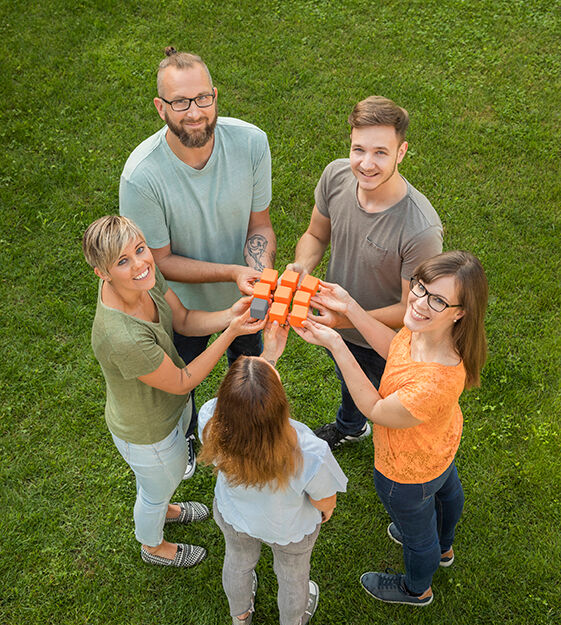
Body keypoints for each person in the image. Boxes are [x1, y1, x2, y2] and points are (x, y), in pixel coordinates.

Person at [294, 251, 488, 606]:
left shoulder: (434, 382)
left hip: (406, 473)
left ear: (460, 312)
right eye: (420, 286)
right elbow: (395, 348)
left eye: (438, 300)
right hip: (439, 450)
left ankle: (417, 588)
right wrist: (350, 307)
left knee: (418, 538)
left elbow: (375, 409)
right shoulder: (433, 334)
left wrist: (337, 344)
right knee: (447, 496)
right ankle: (444, 548)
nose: (419, 302)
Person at [120, 48, 276, 465]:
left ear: (215, 95)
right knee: (183, 383)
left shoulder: (251, 143)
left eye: (203, 98)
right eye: (180, 102)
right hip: (182, 308)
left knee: (247, 372)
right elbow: (158, 260)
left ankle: (242, 438)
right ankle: (189, 435)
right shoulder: (142, 176)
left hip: (245, 299)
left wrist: (258, 279)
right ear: (161, 107)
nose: (194, 112)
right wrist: (232, 271)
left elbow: (259, 225)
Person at [82, 215, 266, 569]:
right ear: (102, 273)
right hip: (148, 429)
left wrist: (229, 315)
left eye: (139, 249)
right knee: (154, 489)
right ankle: (152, 545)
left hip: (170, 408)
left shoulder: (144, 279)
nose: (140, 263)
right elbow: (183, 381)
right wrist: (231, 333)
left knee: (161, 482)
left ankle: (164, 504)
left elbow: (181, 319)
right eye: (123, 261)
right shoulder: (123, 337)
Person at [288, 96, 443, 451]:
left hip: (382, 341)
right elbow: (315, 234)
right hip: (337, 323)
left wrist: (345, 320)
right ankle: (352, 425)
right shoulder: (336, 176)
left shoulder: (420, 230)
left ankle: (409, 464)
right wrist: (301, 267)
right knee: (348, 376)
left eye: (380, 153)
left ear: (401, 152)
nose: (366, 164)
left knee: (390, 409)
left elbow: (412, 311)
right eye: (359, 149)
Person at [197, 323, 348, 625]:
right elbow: (325, 500)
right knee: (293, 578)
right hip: (290, 528)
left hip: (234, 517)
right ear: (279, 406)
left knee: (237, 562)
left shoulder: (210, 420)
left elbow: (244, 400)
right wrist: (325, 512)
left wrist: (270, 355)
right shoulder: (309, 451)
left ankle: (240, 617)